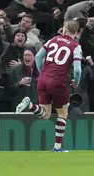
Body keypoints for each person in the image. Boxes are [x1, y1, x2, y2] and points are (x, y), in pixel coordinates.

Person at [15, 20, 82, 153]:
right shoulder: (76, 46)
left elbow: (38, 57)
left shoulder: (53, 40)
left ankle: (29, 105)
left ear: (63, 30)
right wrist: (77, 81)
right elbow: (78, 70)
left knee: (45, 115)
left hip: (43, 79)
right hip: (57, 81)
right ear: (77, 33)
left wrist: (42, 73)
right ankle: (57, 147)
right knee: (63, 113)